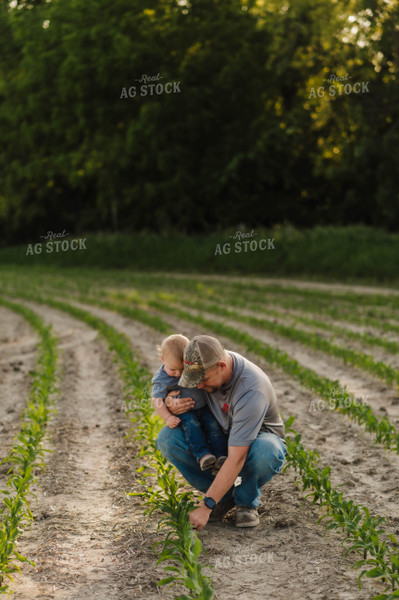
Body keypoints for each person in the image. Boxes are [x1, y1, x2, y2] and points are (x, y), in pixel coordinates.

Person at [155, 334, 287, 530]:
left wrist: (205, 506)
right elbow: (170, 384)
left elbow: (237, 457)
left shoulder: (251, 390)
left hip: (252, 443)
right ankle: (222, 498)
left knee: (267, 450)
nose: (198, 386)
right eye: (194, 380)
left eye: (203, 380)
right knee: (167, 439)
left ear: (222, 366)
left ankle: (245, 502)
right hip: (219, 435)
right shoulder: (207, 367)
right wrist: (171, 403)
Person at [151, 334, 227, 472]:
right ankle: (203, 455)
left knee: (214, 426)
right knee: (193, 429)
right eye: (173, 370)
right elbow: (157, 400)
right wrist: (167, 417)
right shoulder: (161, 379)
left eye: (182, 369)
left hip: (204, 407)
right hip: (185, 412)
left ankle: (221, 456)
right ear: (163, 359)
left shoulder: (194, 366)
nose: (178, 373)